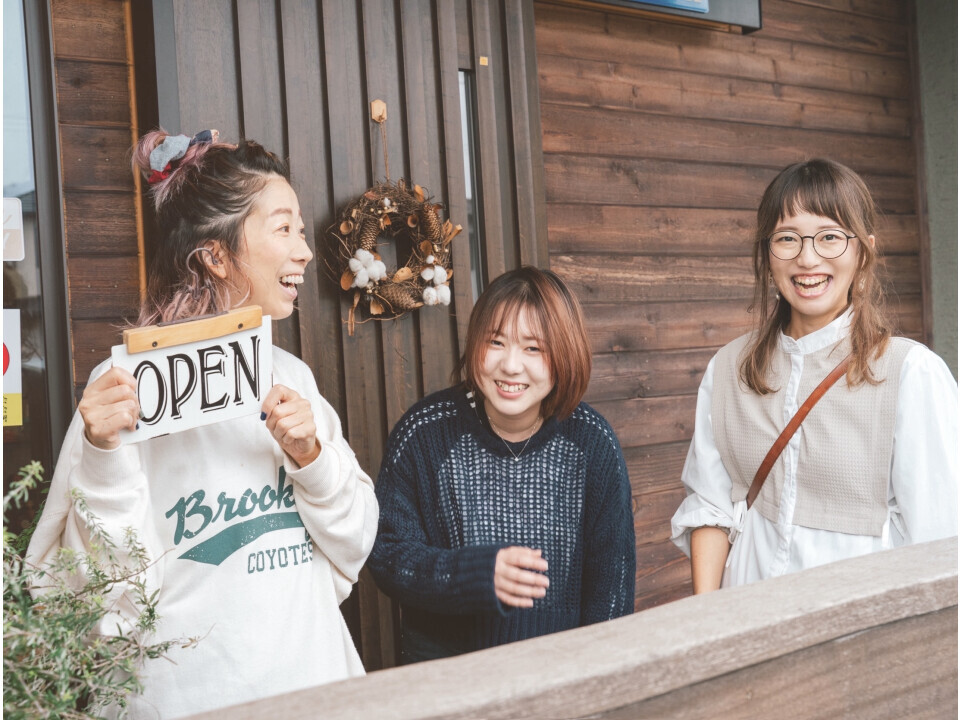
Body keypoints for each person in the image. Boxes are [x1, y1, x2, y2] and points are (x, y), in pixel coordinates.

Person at [27, 130, 378, 717]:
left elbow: (355, 541)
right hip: (186, 700)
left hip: (316, 690)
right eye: (284, 228)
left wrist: (313, 459)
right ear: (216, 256)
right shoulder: (126, 389)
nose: (304, 251)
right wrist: (103, 454)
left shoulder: (290, 375)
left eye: (300, 229)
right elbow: (105, 603)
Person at [670, 158, 958, 593]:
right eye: (787, 238)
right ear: (767, 254)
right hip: (747, 613)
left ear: (863, 252)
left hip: (860, 620)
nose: (807, 258)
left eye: (830, 237)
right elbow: (711, 506)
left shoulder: (911, 373)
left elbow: (941, 540)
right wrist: (707, 616)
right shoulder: (729, 368)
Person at [368, 266, 636, 663]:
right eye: (496, 342)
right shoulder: (424, 432)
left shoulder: (591, 442)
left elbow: (612, 590)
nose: (511, 365)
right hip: (449, 677)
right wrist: (471, 575)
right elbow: (386, 554)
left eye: (533, 348)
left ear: (566, 353)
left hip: (561, 672)